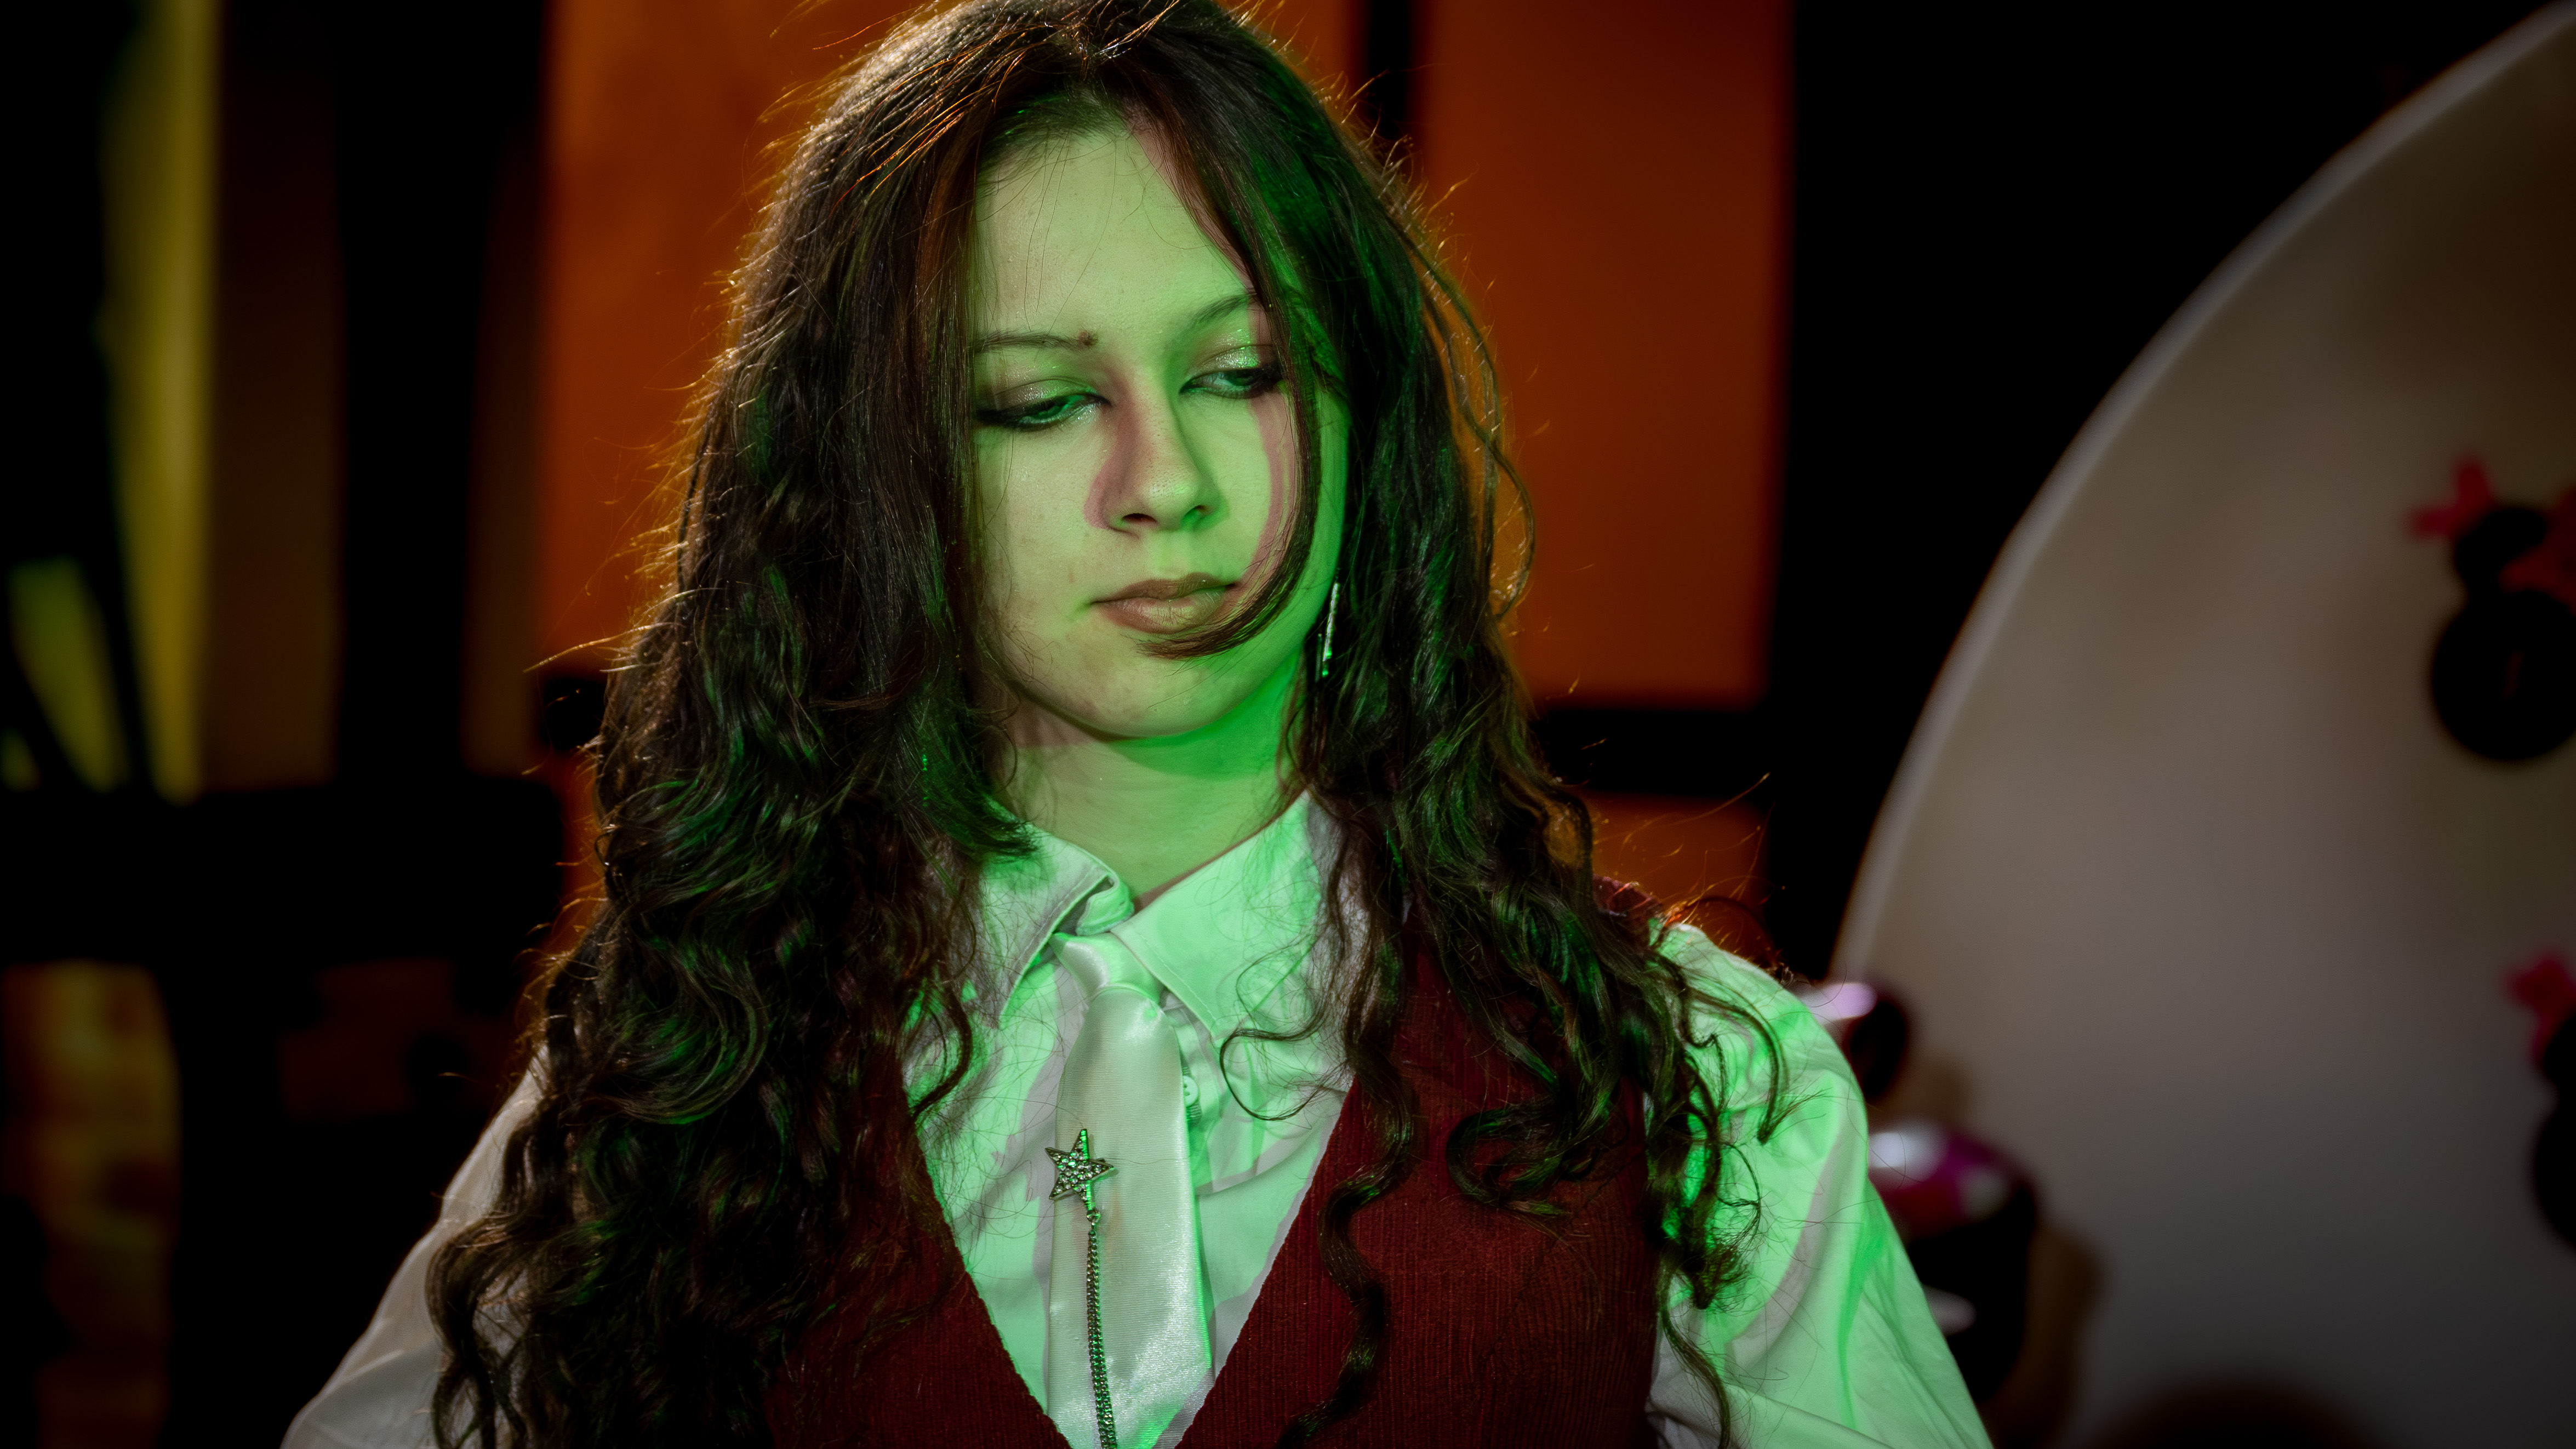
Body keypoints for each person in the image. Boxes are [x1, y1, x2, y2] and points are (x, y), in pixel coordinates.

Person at [285, 2, 1985, 1446]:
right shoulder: (684, 1065)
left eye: (1243, 375)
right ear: (883, 480)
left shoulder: (1698, 1072)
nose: (1163, 481)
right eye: (1038, 401)